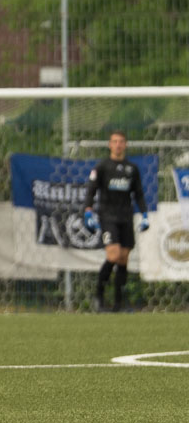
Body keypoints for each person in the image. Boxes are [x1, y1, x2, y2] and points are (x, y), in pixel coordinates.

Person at [83, 130, 149, 312]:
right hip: (108, 216)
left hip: (126, 217)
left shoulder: (132, 169)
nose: (118, 145)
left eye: (121, 142)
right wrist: (88, 211)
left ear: (125, 145)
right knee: (113, 254)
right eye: (114, 141)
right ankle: (98, 296)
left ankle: (118, 303)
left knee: (123, 259)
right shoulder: (102, 167)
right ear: (109, 145)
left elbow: (139, 194)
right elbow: (91, 190)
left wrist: (144, 214)